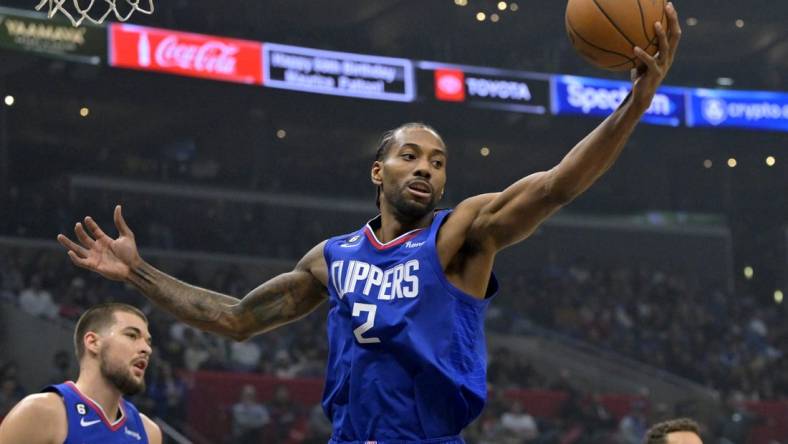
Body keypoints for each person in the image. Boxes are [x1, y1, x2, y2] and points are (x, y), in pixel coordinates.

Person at [55, 4, 682, 442]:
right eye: (409, 155)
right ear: (377, 172)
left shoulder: (461, 235)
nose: (425, 170)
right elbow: (238, 319)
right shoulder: (332, 257)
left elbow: (555, 186)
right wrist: (137, 271)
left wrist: (636, 101)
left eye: (438, 162)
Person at [0, 303, 162, 443]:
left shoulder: (149, 433)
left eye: (148, 342)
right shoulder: (41, 412)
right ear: (93, 342)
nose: (146, 349)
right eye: (132, 335)